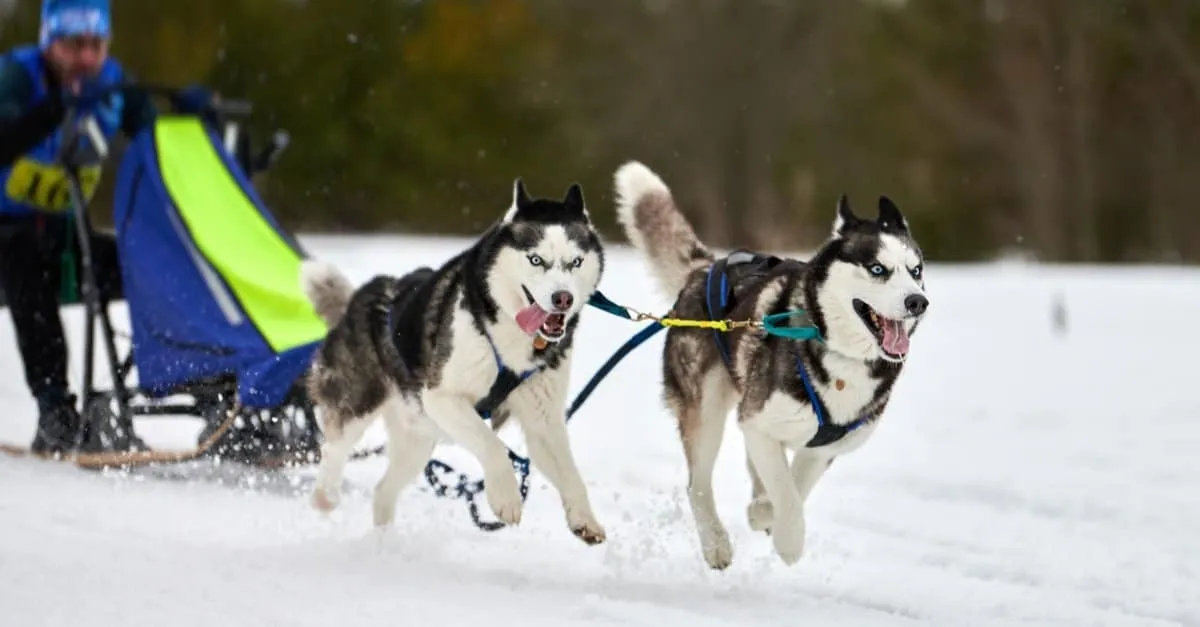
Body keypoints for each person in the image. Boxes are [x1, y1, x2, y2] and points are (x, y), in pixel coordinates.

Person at [0, 0, 210, 454]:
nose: (87, 59)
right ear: (49, 43)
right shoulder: (16, 79)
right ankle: (54, 407)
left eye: (97, 45)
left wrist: (193, 123)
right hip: (8, 241)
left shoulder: (111, 84)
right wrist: (54, 110)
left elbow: (161, 153)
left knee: (154, 266)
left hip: (63, 241)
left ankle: (211, 385)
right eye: (75, 45)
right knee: (25, 258)